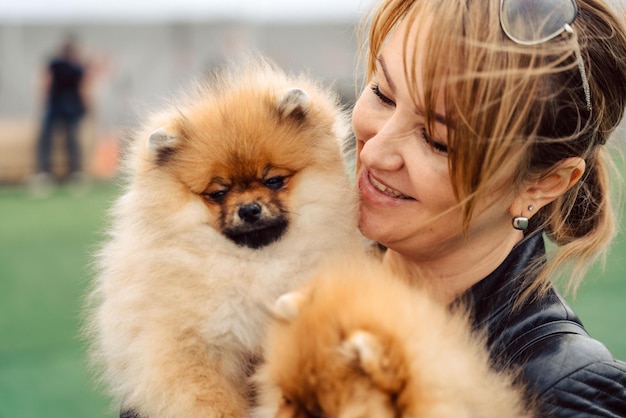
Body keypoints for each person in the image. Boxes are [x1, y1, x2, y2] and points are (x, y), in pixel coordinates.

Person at [352, 0, 626, 415]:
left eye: (437, 140)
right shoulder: (280, 277)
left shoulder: (561, 395)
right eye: (382, 95)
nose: (375, 151)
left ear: (544, 182)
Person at [33, 37, 87, 189]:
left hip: (58, 106)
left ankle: (46, 172)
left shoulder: (57, 65)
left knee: (51, 139)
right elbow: (82, 89)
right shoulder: (75, 67)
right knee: (69, 139)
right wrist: (85, 107)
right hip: (66, 106)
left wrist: (43, 101)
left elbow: (46, 83)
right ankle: (74, 172)